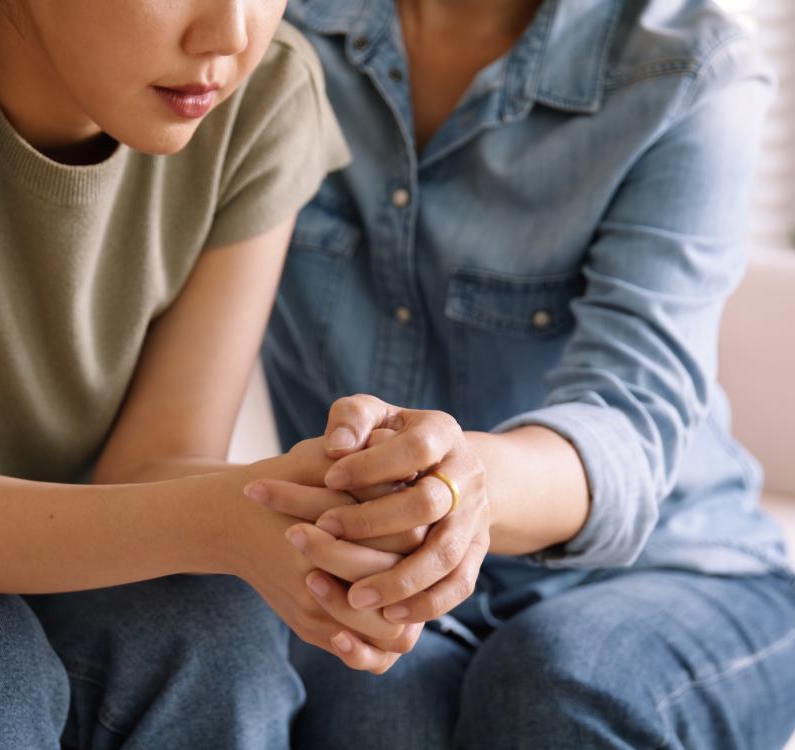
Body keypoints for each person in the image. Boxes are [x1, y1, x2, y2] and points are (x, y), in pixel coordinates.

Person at [0, 0, 417, 747]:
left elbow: (150, 463)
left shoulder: (264, 92)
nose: (230, 34)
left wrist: (321, 498)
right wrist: (220, 518)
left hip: (45, 559)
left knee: (213, 630)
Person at [253, 0, 795, 747]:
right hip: (382, 579)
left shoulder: (688, 66)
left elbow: (631, 414)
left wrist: (465, 484)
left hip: (674, 567)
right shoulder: (267, 30)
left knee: (557, 684)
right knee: (376, 713)